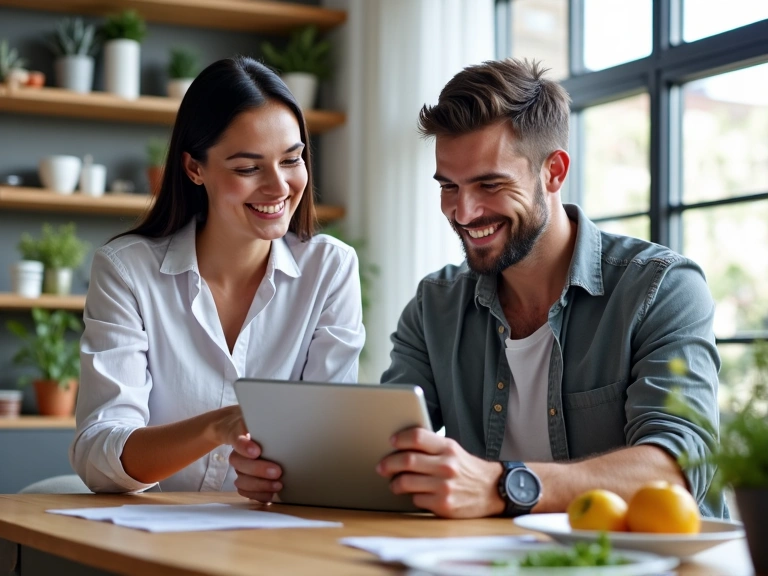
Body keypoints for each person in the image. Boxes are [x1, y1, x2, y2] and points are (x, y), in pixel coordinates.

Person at [377, 58, 724, 519]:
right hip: (493, 560)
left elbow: (677, 466)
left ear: (554, 172)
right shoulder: (435, 305)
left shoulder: (661, 287)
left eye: (490, 184)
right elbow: (388, 449)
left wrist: (505, 486)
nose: (463, 212)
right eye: (449, 187)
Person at [71, 57, 365, 497]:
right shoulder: (128, 270)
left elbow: (327, 443)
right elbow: (99, 455)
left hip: (273, 538)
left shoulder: (330, 269)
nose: (280, 187)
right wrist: (217, 427)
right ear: (194, 168)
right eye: (248, 168)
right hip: (148, 537)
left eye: (292, 159)